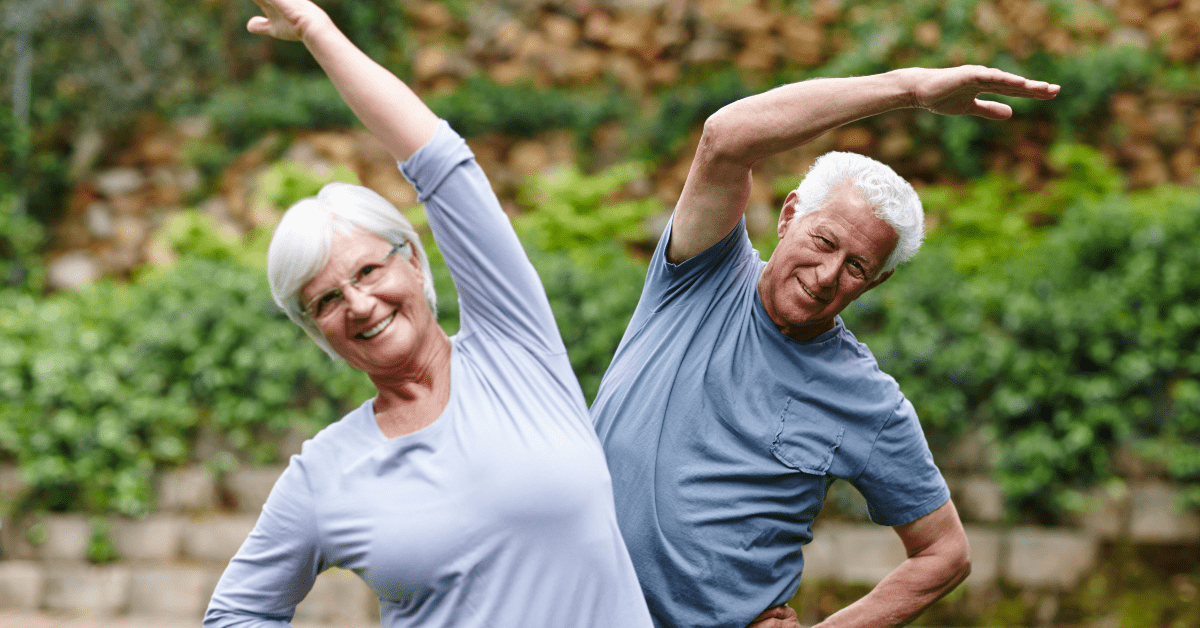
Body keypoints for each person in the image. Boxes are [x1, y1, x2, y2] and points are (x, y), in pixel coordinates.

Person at [203, 1, 654, 626]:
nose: (359, 304)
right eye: (326, 300)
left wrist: (317, 32)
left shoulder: (513, 346)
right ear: (317, 331)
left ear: (413, 261)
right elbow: (235, 614)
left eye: (368, 271)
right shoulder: (326, 475)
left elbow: (441, 163)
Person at [590, 67, 1060, 628]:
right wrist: (910, 89)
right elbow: (725, 137)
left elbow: (945, 554)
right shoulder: (703, 270)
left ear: (877, 281)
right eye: (824, 240)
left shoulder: (868, 400)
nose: (827, 274)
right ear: (789, 215)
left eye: (857, 266)